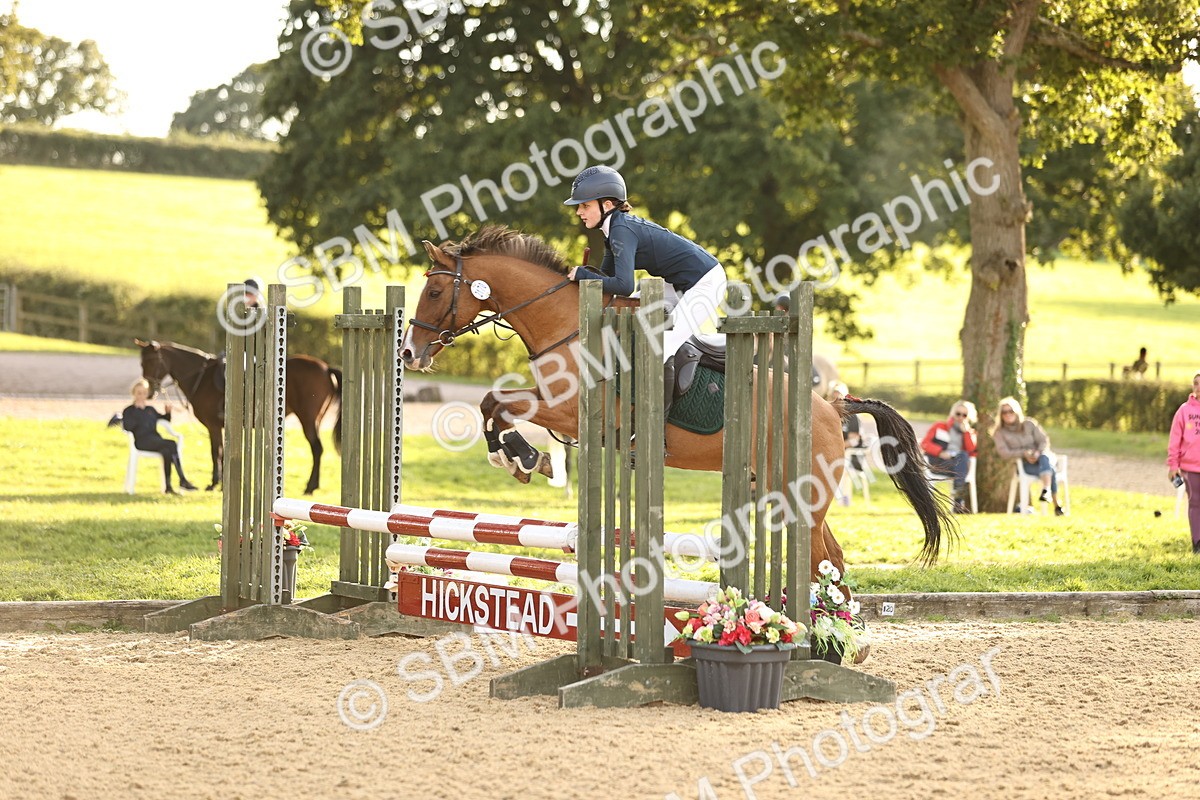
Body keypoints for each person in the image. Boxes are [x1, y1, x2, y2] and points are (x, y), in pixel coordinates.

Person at [564, 166, 728, 417]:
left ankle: (655, 427)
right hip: (678, 284)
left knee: (661, 347)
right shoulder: (612, 231)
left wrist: (582, 274)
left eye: (584, 206)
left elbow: (622, 285)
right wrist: (579, 277)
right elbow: (606, 281)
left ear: (606, 204)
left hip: (705, 282)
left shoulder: (621, 230)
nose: (579, 212)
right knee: (633, 310)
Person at [991, 397, 1064, 516]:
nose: (1008, 414)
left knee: (1044, 458)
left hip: (1042, 458)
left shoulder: (1029, 424)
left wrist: (1037, 452)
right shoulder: (1000, 433)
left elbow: (1043, 441)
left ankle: (1046, 490)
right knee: (1050, 470)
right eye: (1004, 412)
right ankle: (1056, 504)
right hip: (1025, 466)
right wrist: (1024, 453)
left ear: (1016, 411)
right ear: (1001, 415)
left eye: (1011, 411)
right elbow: (1004, 453)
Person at [122, 378, 197, 494]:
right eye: (139, 393)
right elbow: (127, 426)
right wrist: (138, 414)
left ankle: (168, 487)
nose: (141, 396)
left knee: (167, 452)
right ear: (134, 393)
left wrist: (168, 413)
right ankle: (182, 479)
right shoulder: (129, 411)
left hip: (155, 440)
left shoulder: (150, 410)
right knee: (171, 444)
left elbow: (163, 420)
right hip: (142, 441)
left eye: (144, 393)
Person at [921, 400, 978, 513]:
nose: (960, 417)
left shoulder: (969, 432)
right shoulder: (939, 426)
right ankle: (958, 500)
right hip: (939, 462)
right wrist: (940, 452)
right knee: (962, 461)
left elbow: (972, 451)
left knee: (963, 455)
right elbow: (925, 443)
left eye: (964, 415)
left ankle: (958, 495)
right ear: (953, 413)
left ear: (968, 417)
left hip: (957, 465)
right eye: (958, 414)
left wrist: (966, 432)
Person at [1167, 372, 1200, 554]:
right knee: (1195, 503)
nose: (1198, 387)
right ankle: (1197, 543)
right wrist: (1173, 465)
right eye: (1195, 383)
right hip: (1190, 467)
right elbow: (1174, 440)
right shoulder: (1184, 411)